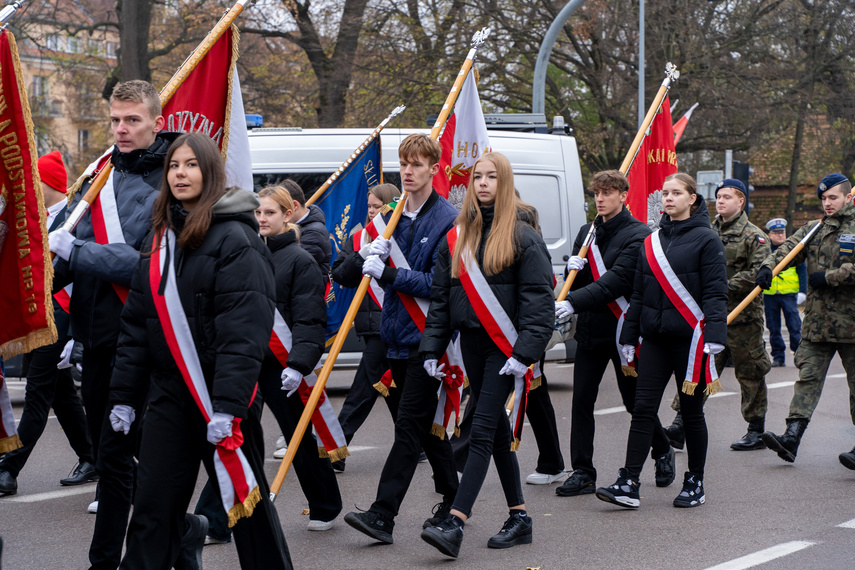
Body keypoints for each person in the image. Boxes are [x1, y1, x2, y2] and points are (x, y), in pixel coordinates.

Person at [107, 133, 292, 569]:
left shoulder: (236, 239)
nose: (180, 173)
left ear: (210, 173)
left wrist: (227, 407)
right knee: (152, 505)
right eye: (174, 166)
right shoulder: (158, 240)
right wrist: (123, 397)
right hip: (171, 396)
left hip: (220, 402)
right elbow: (137, 327)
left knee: (246, 509)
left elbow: (244, 332)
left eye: (191, 165)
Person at [48, 79, 181, 568]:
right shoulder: (98, 176)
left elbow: (144, 263)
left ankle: (140, 548)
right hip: (96, 339)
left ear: (156, 123)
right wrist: (38, 278)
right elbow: (67, 252)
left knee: (137, 457)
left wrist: (77, 250)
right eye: (115, 120)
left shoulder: (171, 182)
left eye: (132, 120)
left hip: (146, 339)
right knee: (112, 459)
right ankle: (133, 550)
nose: (121, 130)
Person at [417, 152, 553, 558]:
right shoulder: (458, 237)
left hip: (505, 347)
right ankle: (520, 517)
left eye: (492, 177)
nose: (483, 183)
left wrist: (525, 353)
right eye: (478, 177)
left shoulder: (524, 237)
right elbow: (441, 300)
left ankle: (455, 522)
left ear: (505, 183)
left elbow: (538, 303)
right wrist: (432, 348)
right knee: (493, 433)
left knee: (478, 431)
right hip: (471, 345)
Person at [343, 133, 460, 544]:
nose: (408, 171)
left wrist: (390, 273)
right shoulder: (390, 216)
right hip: (393, 337)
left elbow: (440, 284)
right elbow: (349, 270)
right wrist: (359, 259)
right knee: (425, 429)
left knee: (408, 429)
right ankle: (456, 496)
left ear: (434, 168)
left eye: (417, 164)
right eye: (404, 164)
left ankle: (382, 515)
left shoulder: (447, 219)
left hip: (427, 343)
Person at [595, 173, 727, 510]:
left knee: (691, 412)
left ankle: (694, 480)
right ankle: (629, 481)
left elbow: (715, 293)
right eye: (665, 193)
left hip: (691, 341)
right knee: (642, 409)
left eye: (676, 193)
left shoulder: (707, 240)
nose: (668, 198)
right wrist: (628, 335)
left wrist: (715, 336)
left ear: (693, 199)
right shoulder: (651, 242)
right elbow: (639, 294)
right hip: (654, 339)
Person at [552, 170, 674, 499]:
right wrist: (571, 271)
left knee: (634, 401)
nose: (601, 199)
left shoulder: (638, 234)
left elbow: (616, 281)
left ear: (623, 195)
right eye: (597, 194)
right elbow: (577, 282)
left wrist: (573, 301)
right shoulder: (587, 232)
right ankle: (583, 471)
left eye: (608, 193)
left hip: (623, 331)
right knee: (581, 401)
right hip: (591, 330)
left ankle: (662, 449)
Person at [0, 151, 95, 495]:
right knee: (63, 396)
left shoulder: (73, 218)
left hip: (59, 319)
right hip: (38, 318)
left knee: (37, 395)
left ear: (46, 184)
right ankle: (91, 456)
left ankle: (8, 470)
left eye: (34, 182)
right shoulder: (33, 219)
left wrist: (71, 335)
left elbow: (76, 279)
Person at [755, 174, 855, 470]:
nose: (827, 203)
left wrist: (831, 277)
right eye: (823, 199)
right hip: (818, 324)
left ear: (849, 197)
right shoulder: (814, 229)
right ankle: (791, 438)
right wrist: (767, 267)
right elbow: (787, 250)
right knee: (807, 378)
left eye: (833, 198)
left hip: (852, 325)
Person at [664, 179, 772, 451]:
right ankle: (680, 425)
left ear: (741, 201)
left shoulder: (754, 235)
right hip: (711, 315)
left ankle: (756, 429)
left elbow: (758, 272)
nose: (720, 201)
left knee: (750, 373)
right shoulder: (706, 230)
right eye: (718, 197)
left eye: (727, 197)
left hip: (743, 318)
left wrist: (720, 285)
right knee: (699, 368)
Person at [331, 183, 402, 471]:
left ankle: (335, 449)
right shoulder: (359, 238)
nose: (372, 211)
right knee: (390, 387)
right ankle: (422, 443)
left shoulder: (400, 235)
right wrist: (362, 254)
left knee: (364, 387)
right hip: (372, 324)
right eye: (370, 206)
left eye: (378, 206)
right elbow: (341, 275)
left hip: (394, 322)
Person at [763, 217, 806, 367]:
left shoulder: (793, 250)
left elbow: (802, 271)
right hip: (770, 295)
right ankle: (778, 357)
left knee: (794, 327)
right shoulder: (765, 250)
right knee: (773, 328)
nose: (780, 235)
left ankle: (799, 356)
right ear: (769, 235)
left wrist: (803, 292)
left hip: (789, 294)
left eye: (782, 232)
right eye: (776, 233)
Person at [282, 178, 332, 276]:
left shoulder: (314, 233)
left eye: (280, 207)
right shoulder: (304, 227)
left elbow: (290, 266)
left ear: (294, 205)